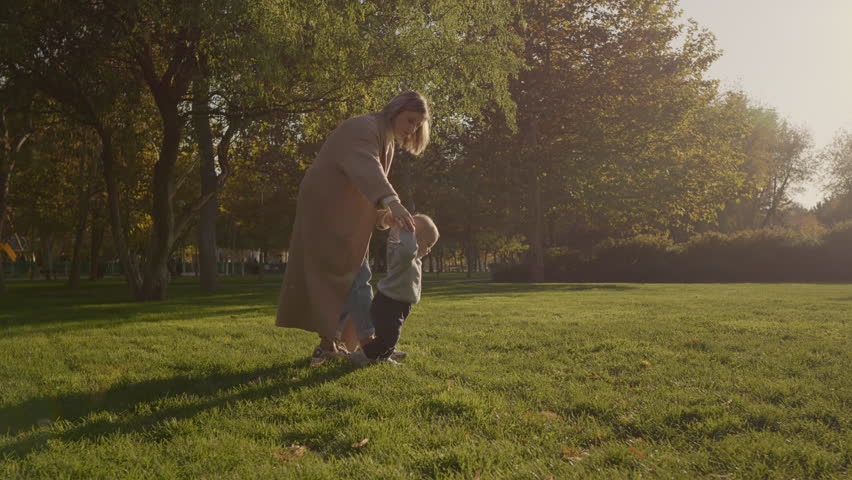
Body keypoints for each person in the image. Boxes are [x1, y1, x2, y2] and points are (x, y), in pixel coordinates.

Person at [275, 91, 431, 365]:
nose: (412, 129)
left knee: (353, 277)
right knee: (354, 277)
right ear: (395, 110)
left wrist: (385, 218)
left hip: (346, 215)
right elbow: (366, 169)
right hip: (326, 211)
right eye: (410, 120)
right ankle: (370, 346)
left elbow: (365, 188)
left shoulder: (386, 140)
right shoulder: (363, 128)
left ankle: (340, 345)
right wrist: (393, 203)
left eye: (417, 125)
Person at [348, 214, 439, 366]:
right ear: (414, 237)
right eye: (428, 243)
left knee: (389, 335)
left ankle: (384, 355)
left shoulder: (414, 258)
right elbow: (408, 249)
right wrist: (408, 230)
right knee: (390, 336)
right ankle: (364, 355)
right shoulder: (403, 255)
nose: (429, 250)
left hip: (400, 304)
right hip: (389, 303)